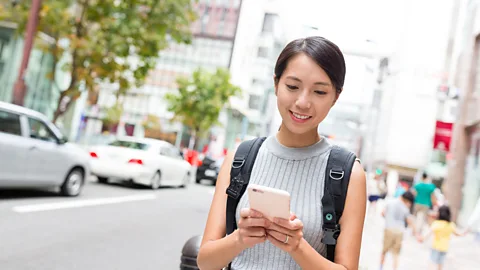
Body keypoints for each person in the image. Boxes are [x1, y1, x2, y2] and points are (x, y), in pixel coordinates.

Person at [196, 36, 367, 270]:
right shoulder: (240, 157)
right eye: (293, 87)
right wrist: (239, 238)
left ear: (336, 96)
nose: (303, 102)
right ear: (276, 84)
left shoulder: (348, 174)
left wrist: (297, 246)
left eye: (319, 91)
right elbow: (205, 262)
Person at [380, 191, 419, 270]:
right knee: (396, 254)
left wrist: (388, 218)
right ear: (407, 200)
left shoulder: (390, 202)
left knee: (384, 251)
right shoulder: (405, 208)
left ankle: (380, 268)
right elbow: (409, 221)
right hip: (399, 232)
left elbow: (382, 213)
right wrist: (416, 233)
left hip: (389, 229)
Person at [418, 205, 465, 270]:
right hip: (445, 248)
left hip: (436, 247)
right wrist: (464, 233)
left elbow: (428, 233)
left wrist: (422, 239)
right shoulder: (451, 225)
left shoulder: (437, 223)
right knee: (440, 264)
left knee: (433, 263)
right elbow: (457, 234)